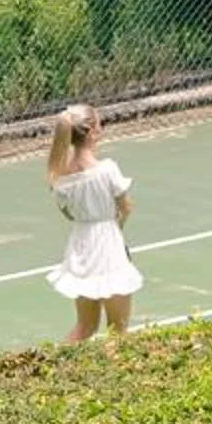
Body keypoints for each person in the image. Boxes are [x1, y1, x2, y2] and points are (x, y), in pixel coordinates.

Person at [44, 103, 141, 340]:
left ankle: (57, 368)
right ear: (90, 133)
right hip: (108, 246)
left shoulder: (60, 178)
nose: (102, 128)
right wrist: (116, 229)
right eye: (99, 124)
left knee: (85, 327)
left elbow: (68, 215)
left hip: (81, 247)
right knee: (118, 328)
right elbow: (125, 207)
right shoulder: (108, 170)